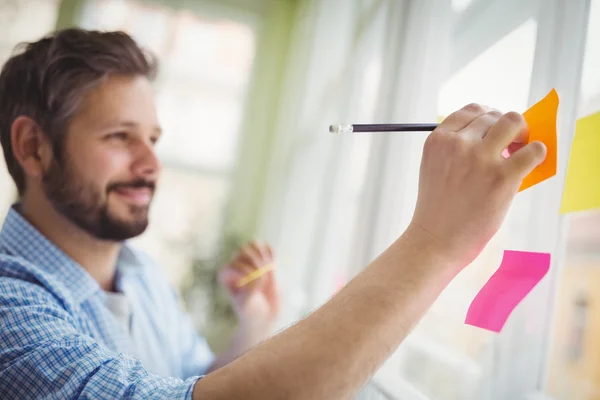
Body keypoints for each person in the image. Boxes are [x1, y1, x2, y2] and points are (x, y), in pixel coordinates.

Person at [0, 28, 547, 400]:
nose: (150, 164)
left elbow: (192, 383)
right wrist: (437, 241)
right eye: (120, 137)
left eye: (153, 139)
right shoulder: (10, 309)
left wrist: (254, 323)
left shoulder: (139, 274)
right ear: (33, 148)